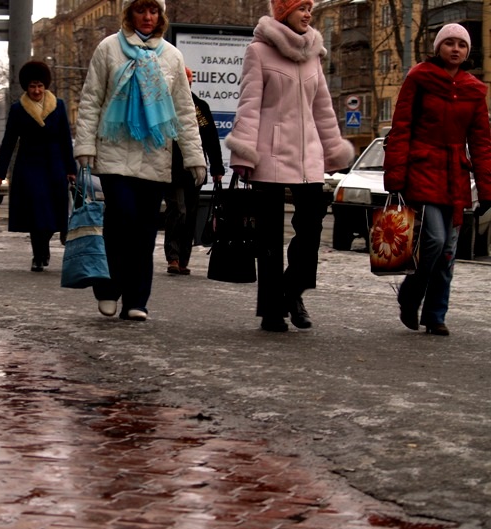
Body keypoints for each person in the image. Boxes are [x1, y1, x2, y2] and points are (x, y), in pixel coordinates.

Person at [225, 0, 354, 332]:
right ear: (283, 13)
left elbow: (323, 108)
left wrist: (333, 149)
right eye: (300, 8)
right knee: (269, 238)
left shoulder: (313, 53)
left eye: (309, 8)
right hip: (269, 154)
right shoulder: (259, 52)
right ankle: (272, 310)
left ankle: (292, 292)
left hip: (308, 156)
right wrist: (243, 153)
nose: (308, 14)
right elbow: (249, 105)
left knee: (310, 231)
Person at [74, 0, 206, 321]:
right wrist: (84, 146)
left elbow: (185, 114)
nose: (148, 17)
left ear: (160, 16)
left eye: (154, 11)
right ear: (129, 13)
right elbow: (91, 99)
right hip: (114, 154)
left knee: (145, 232)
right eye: (140, 10)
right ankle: (108, 289)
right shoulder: (109, 49)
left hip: (155, 156)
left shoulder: (171, 56)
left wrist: (193, 156)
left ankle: (137, 300)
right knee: (121, 222)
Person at [384, 23, 491, 336]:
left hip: (456, 176)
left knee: (448, 252)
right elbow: (401, 127)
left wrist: (486, 189)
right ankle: (410, 296)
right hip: (422, 168)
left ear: (468, 51)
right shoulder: (419, 78)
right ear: (438, 47)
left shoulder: (474, 89)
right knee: (433, 241)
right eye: (449, 43)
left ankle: (435, 315)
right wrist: (396, 176)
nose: (455, 49)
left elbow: (482, 142)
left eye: (462, 44)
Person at [0, 61, 77, 272]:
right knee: (37, 212)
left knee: (52, 213)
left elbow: (66, 139)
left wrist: (71, 169)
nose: (36, 90)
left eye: (40, 86)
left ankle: (44, 245)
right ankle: (38, 255)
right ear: (26, 87)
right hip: (29, 167)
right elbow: (9, 141)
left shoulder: (58, 106)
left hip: (55, 166)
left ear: (45, 85)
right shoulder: (18, 109)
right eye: (32, 86)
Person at [164, 67, 225, 275]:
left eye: (188, 78)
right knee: (177, 210)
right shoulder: (166, 105)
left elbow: (210, 138)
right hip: (171, 169)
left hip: (194, 170)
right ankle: (172, 256)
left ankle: (183, 259)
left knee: (190, 214)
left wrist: (217, 167)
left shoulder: (199, 107)